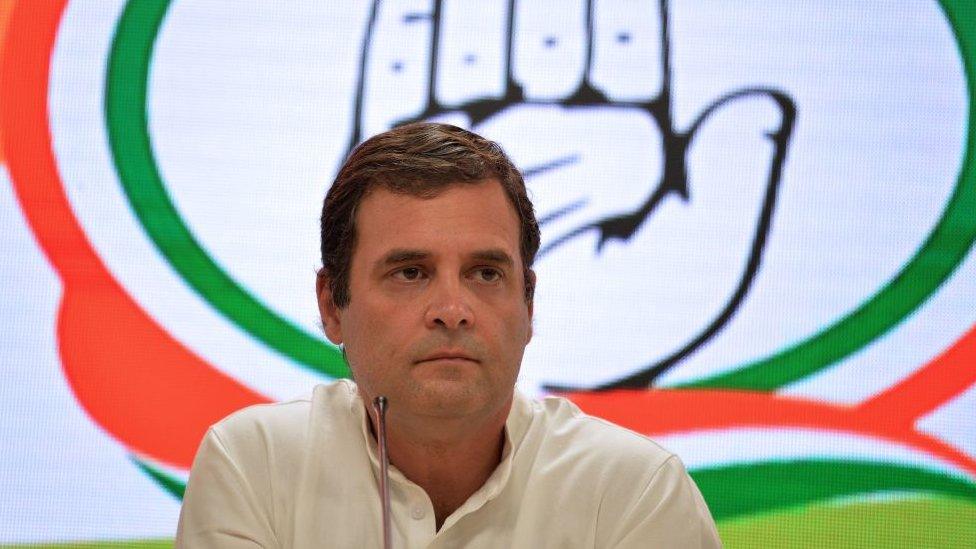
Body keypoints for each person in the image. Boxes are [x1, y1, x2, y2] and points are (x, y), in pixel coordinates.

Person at [175, 122, 721, 548]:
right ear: (331, 305)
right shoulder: (254, 465)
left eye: (486, 274)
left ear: (528, 306)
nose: (453, 310)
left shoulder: (635, 491)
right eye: (410, 273)